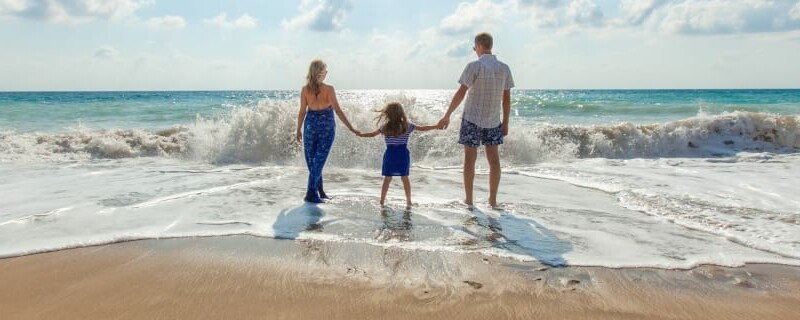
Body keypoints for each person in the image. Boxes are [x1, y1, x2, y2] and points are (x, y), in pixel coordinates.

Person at [437, 32, 514, 209]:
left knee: (469, 161)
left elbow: (461, 92)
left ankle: (469, 200)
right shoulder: (504, 68)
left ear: (479, 46)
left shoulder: (474, 66)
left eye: (474, 47)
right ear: (490, 46)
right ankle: (492, 200)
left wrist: (447, 114)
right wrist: (506, 122)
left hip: (472, 118)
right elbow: (507, 99)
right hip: (494, 120)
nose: (475, 51)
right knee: (494, 161)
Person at [296, 59, 359, 203]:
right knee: (317, 161)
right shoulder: (329, 89)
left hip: (310, 125)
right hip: (326, 127)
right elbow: (337, 110)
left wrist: (298, 129)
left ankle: (319, 191)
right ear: (321, 73)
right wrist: (351, 128)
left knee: (314, 162)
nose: (326, 73)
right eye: (325, 70)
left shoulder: (305, 89)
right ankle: (311, 193)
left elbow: (301, 112)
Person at [356, 102, 440, 210]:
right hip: (402, 154)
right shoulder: (407, 125)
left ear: (388, 114)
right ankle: (409, 201)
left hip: (390, 154)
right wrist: (436, 126)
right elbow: (423, 128)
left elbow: (372, 134)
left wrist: (360, 134)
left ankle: (382, 201)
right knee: (405, 178)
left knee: (387, 178)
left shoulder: (385, 127)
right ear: (401, 113)